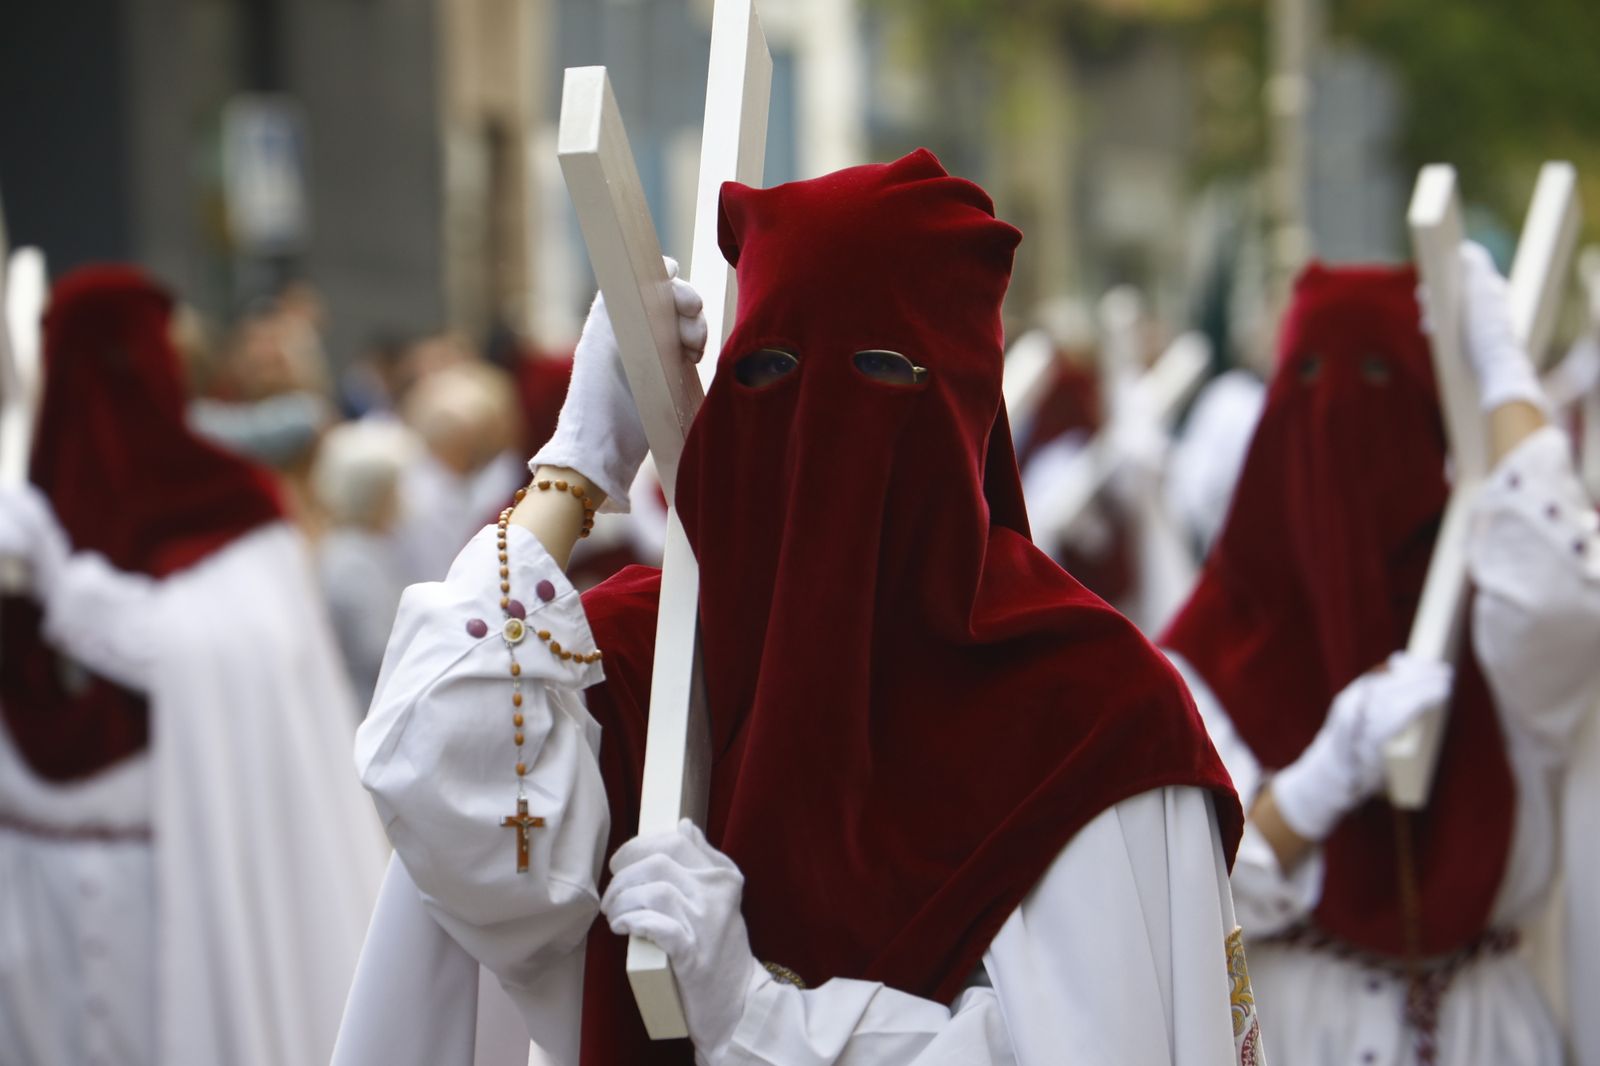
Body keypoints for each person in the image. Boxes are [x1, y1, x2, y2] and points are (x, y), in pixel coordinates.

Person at [334, 150, 1257, 1066]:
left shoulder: (1090, 714)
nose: (824, 428)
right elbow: (437, 777)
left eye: (886, 372)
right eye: (772, 368)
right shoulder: (651, 649)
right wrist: (576, 469)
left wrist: (756, 1014)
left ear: (967, 404)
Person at [1162, 250, 1600, 1065]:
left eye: (1376, 372)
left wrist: (1502, 368)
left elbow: (1560, 591)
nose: (1339, 410)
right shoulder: (1209, 641)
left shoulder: (1488, 606)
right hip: (1301, 1029)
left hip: (1485, 1030)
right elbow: (1190, 889)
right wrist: (1320, 780)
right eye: (1312, 373)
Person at [0, 266, 388, 1066]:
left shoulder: (227, 511)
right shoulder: (25, 510)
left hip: (188, 889)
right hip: (29, 895)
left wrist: (68, 588)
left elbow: (219, 654)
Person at [312, 418, 420, 709]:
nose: (404, 499)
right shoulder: (351, 559)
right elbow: (377, 651)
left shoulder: (371, 547)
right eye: (395, 490)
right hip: (365, 708)